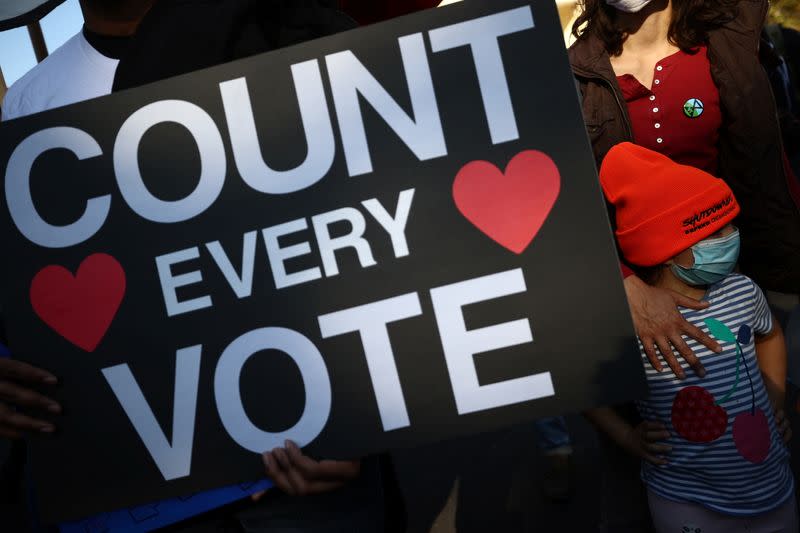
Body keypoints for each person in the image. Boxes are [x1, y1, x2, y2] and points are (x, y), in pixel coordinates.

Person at [589, 142, 797, 532]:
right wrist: (626, 437)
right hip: (686, 501)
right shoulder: (634, 321)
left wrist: (775, 403)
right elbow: (582, 384)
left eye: (731, 226)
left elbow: (770, 336)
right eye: (715, 232)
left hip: (774, 489)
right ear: (665, 249)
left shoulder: (744, 291)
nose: (731, 237)